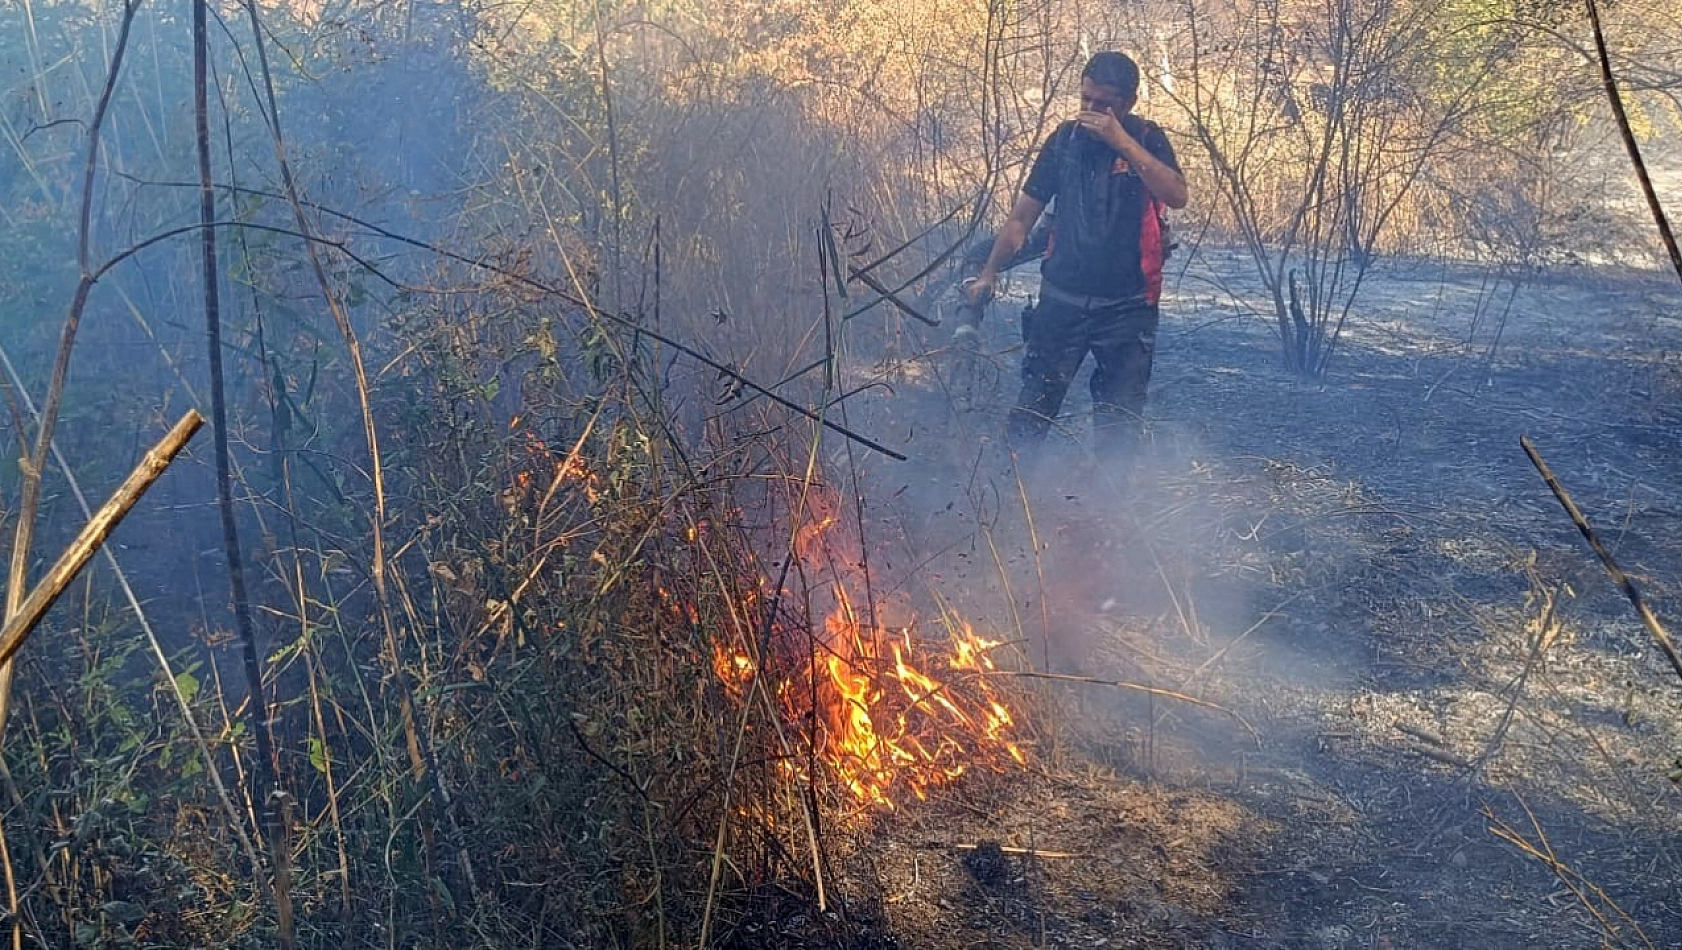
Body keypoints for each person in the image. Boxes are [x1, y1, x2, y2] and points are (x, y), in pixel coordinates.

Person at [966, 51, 1188, 463]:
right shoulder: (1064, 140)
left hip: (1129, 309)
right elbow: (1021, 217)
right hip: (1061, 302)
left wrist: (1120, 141)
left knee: (1118, 426)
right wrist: (989, 272)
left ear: (1129, 103)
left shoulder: (1147, 138)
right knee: (1032, 412)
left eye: (1103, 104)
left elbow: (1176, 195)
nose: (1090, 111)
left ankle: (1105, 516)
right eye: (1085, 99)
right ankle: (1008, 504)